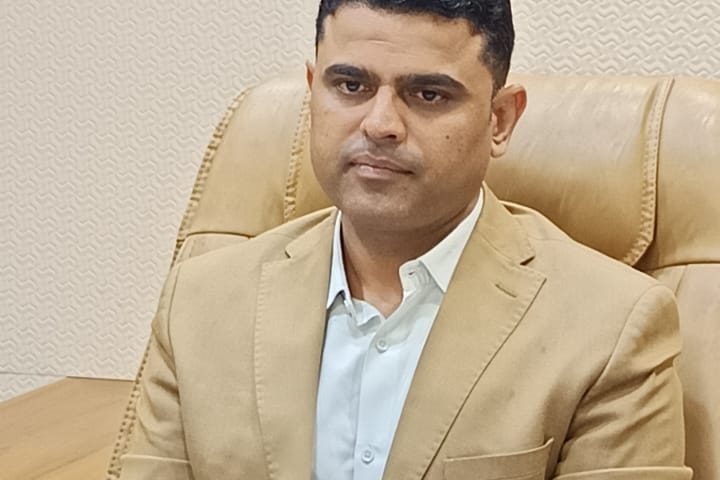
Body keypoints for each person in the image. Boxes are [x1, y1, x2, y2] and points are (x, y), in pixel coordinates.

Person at [114, 1, 693, 479]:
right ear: (313, 93)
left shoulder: (613, 327)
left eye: (428, 94)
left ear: (499, 120)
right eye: (350, 85)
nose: (380, 124)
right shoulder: (198, 302)